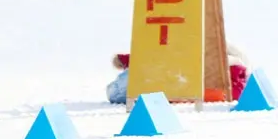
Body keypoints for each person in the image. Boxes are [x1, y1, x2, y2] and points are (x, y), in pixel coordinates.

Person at [106, 43, 251, 104]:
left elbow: (159, 56)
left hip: (165, 78)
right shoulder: (235, 69)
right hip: (172, 78)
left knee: (117, 91)